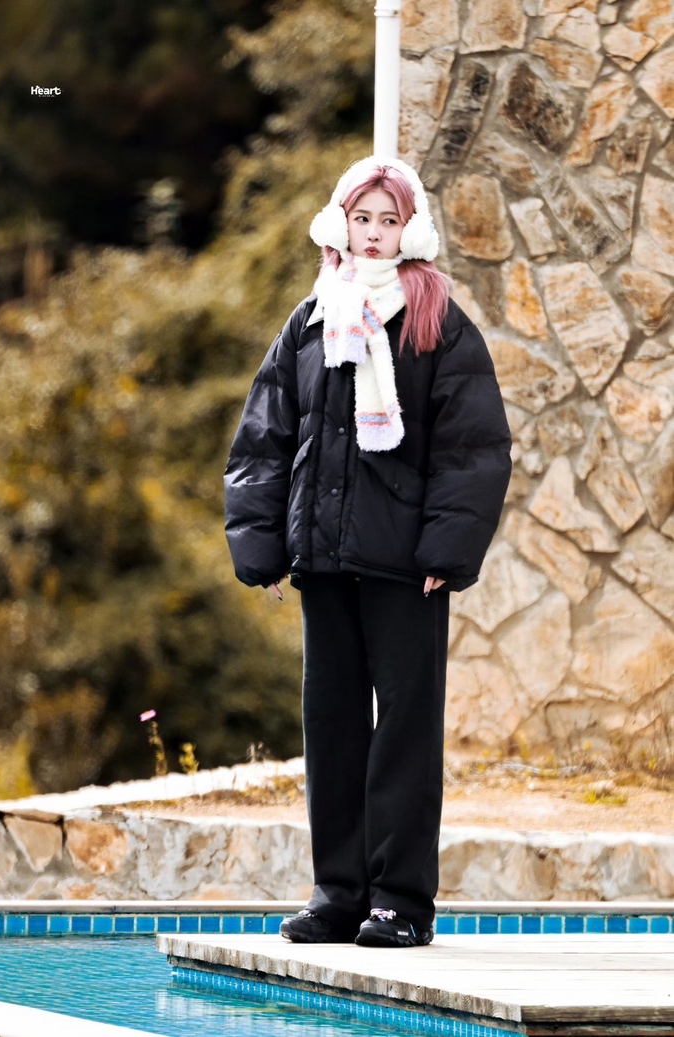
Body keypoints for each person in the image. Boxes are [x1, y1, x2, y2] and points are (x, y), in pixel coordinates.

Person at [223, 156, 512, 948]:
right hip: (324, 561)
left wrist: (446, 549)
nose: (375, 233)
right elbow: (265, 436)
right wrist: (263, 546)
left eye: (389, 220)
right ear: (341, 225)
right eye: (363, 219)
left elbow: (473, 447)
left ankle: (401, 903)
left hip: (407, 568)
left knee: (405, 733)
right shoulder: (313, 317)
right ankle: (340, 894)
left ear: (410, 229)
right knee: (334, 727)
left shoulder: (437, 321)